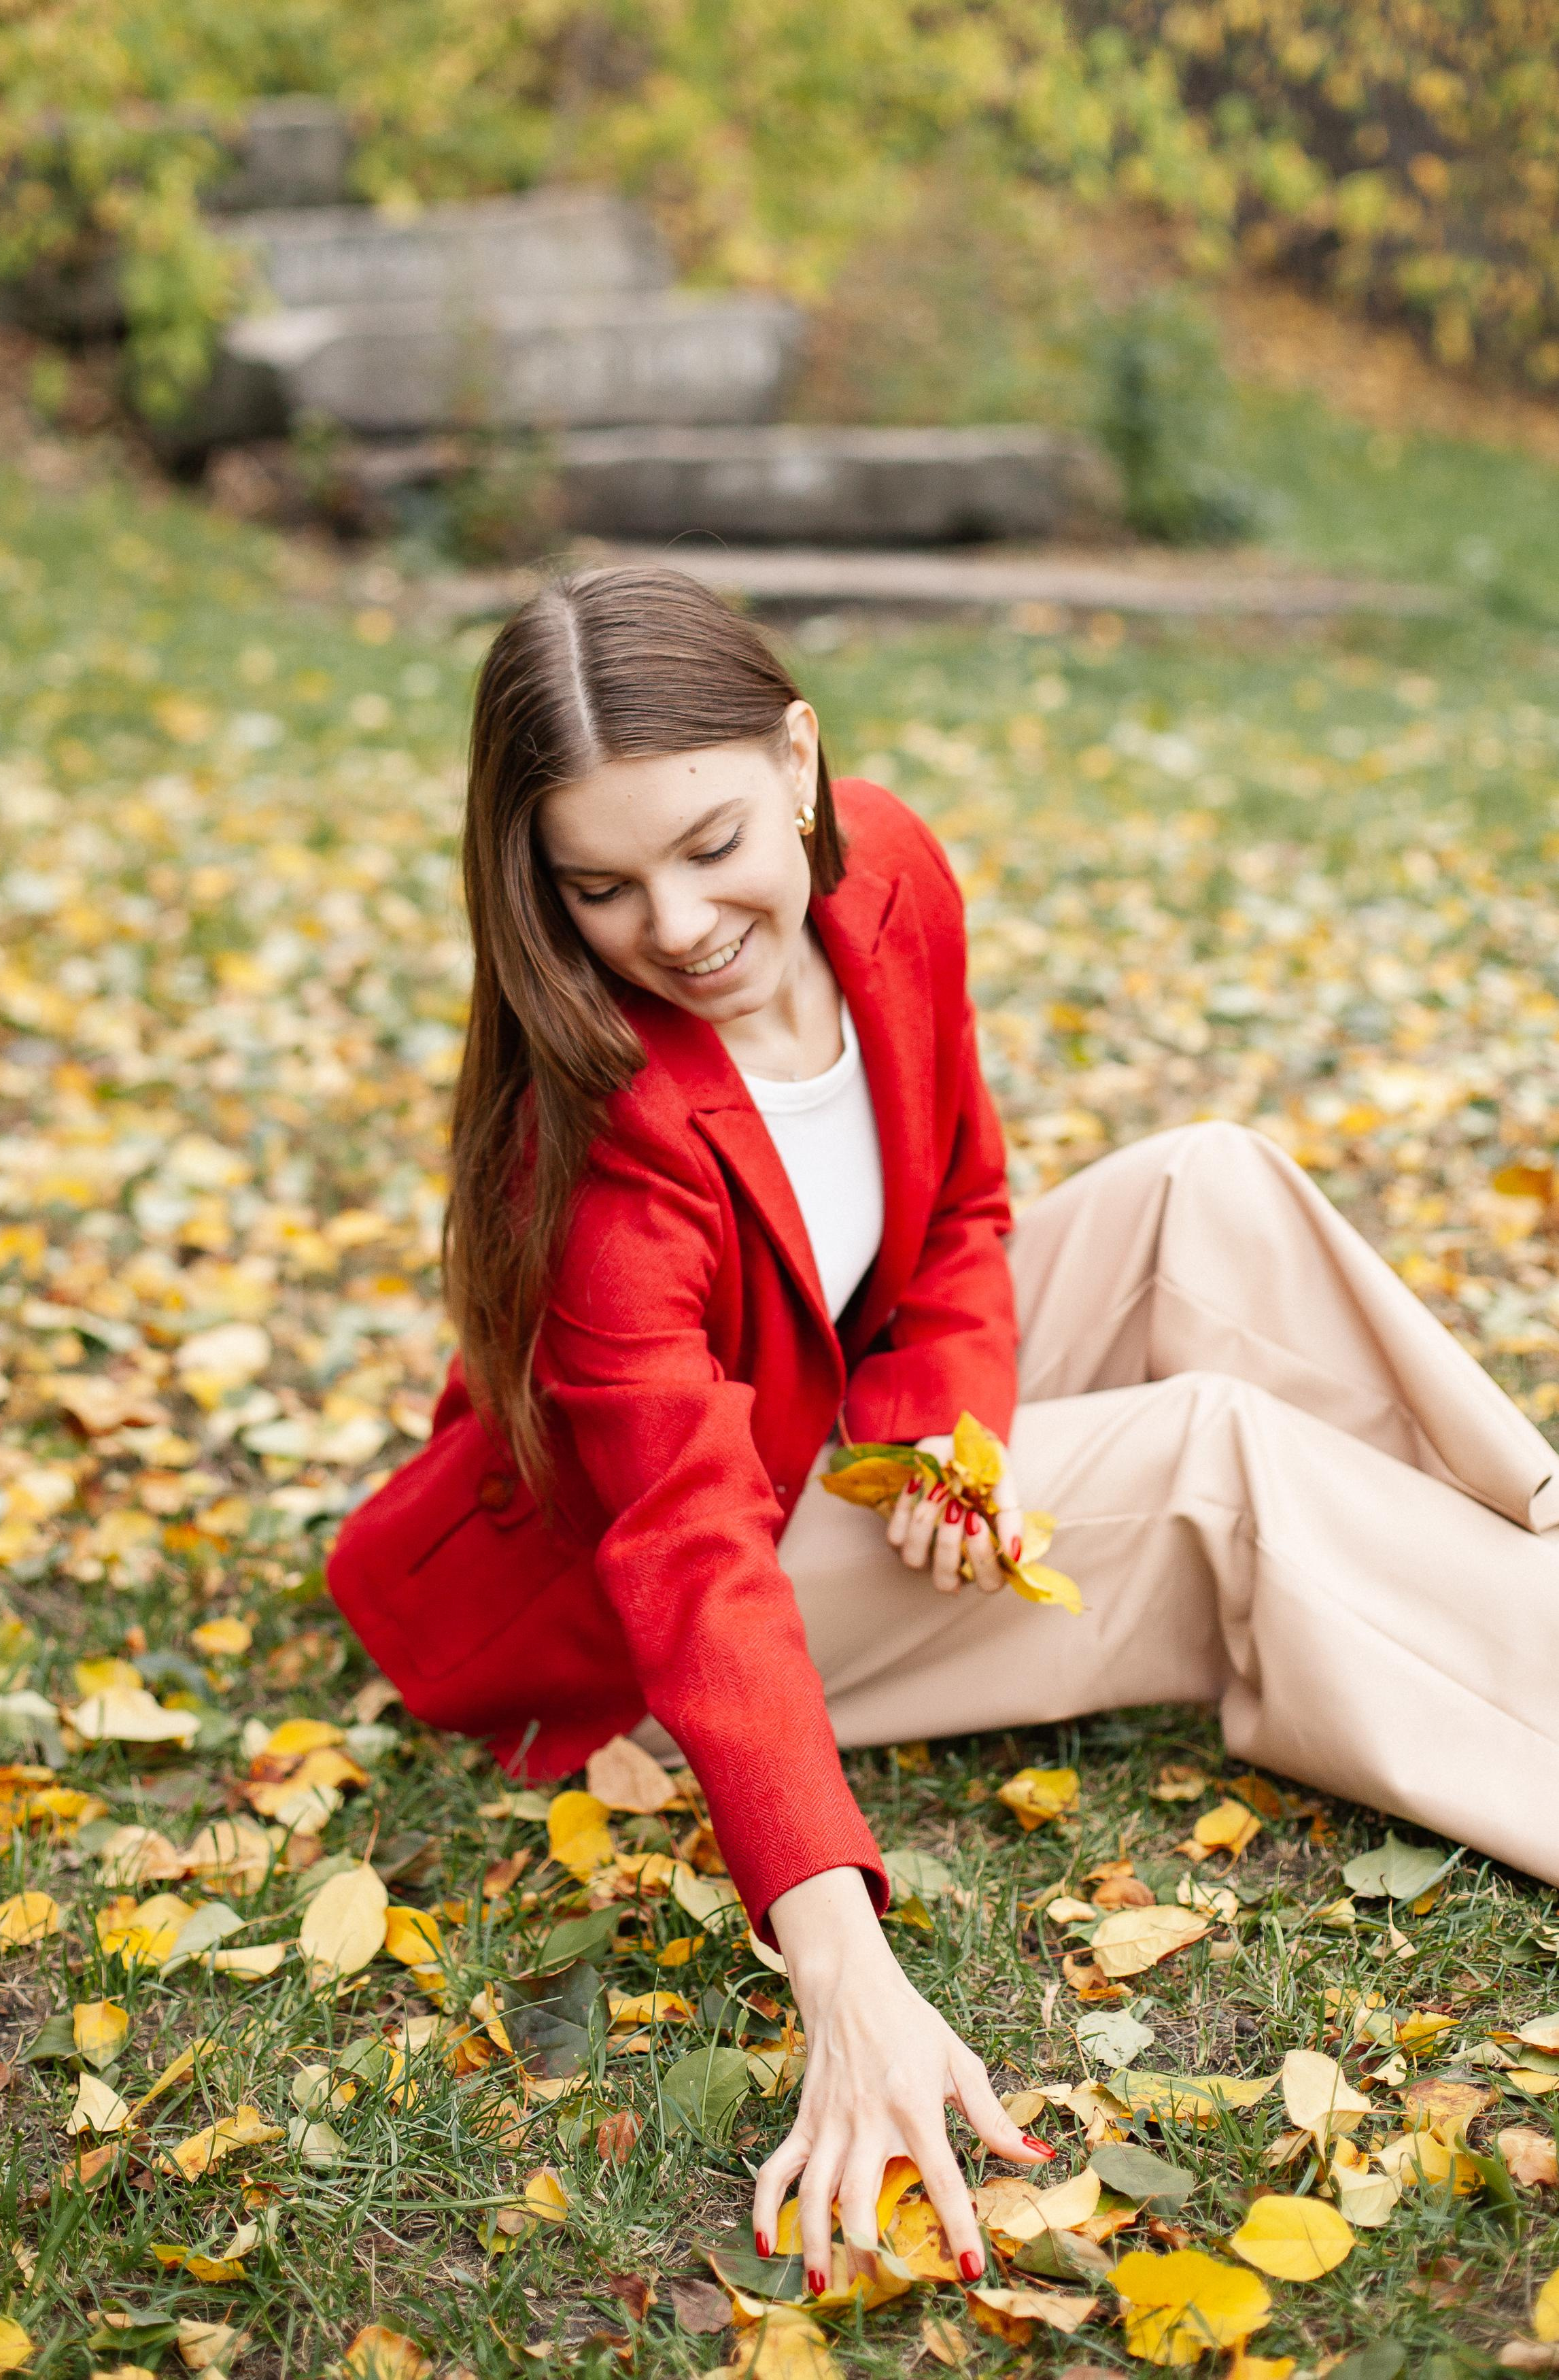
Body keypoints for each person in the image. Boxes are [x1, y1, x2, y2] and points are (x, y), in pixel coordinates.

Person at [330, 564, 1559, 2288]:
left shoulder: (891, 878)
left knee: (1207, 1182)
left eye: (709, 844)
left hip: (816, 1412)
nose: (675, 925)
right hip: (636, 1611)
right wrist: (843, 1966)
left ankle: (1529, 1530)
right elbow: (685, 1554)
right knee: (1208, 1452)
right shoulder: (599, 1137)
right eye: (597, 885)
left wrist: (943, 1423)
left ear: (803, 761)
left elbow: (966, 1211)